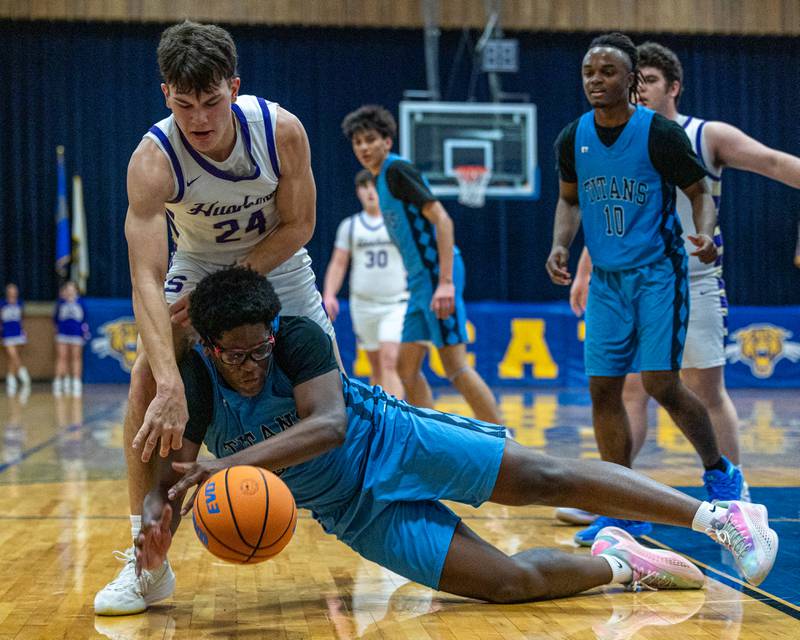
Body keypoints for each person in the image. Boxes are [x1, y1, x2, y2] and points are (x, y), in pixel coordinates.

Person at [133, 266, 777, 613]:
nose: (250, 363)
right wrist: (155, 526)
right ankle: (620, 562)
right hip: (349, 510)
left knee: (542, 478)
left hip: (391, 439)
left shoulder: (298, 337)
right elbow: (172, 480)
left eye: (258, 349)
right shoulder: (191, 383)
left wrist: (224, 469)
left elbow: (328, 426)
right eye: (236, 356)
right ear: (210, 348)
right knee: (508, 584)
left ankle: (721, 517)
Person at [94, 20, 337, 615]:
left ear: (234, 86)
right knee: (147, 381)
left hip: (277, 260)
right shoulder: (153, 161)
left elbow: (300, 225)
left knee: (330, 401)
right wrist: (172, 381)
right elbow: (146, 278)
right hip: (197, 267)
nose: (199, 119)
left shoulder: (281, 132)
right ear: (164, 95)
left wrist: (235, 283)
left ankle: (356, 500)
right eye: (184, 105)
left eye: (211, 101)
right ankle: (145, 556)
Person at [563, 41, 800, 526]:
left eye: (648, 80)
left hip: (693, 278)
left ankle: (733, 493)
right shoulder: (609, 134)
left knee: (703, 390)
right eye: (638, 80)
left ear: (672, 87)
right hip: (632, 278)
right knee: (628, 390)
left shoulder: (703, 134)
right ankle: (619, 495)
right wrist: (585, 269)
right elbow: (612, 213)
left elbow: (775, 163)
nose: (638, 88)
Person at [545, 32, 744, 545]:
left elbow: (699, 191)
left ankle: (721, 472)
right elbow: (569, 201)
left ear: (631, 80)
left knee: (659, 383)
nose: (596, 80)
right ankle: (623, 508)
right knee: (603, 389)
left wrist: (703, 232)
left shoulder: (658, 134)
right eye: (589, 71)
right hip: (608, 283)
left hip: (659, 274)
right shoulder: (573, 137)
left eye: (607, 71)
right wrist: (561, 246)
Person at [341, 105, 500, 424]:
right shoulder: (380, 181)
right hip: (418, 283)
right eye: (357, 142)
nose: (363, 148)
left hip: (436, 275)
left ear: (387, 141)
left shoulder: (397, 171)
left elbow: (442, 220)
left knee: (455, 366)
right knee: (405, 368)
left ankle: (506, 443)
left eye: (370, 139)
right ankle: (430, 435)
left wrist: (445, 282)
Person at [323, 169, 408, 398]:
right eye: (365, 187)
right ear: (358, 192)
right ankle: (381, 418)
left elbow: (412, 258)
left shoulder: (398, 223)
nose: (371, 192)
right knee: (377, 366)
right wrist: (329, 294)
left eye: (375, 187)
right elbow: (339, 263)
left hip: (395, 302)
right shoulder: (350, 226)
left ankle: (397, 422)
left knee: (390, 361)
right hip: (363, 304)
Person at [53, 281, 89, 398]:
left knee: (76, 357)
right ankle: (59, 381)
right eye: (68, 289)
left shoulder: (80, 303)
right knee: (62, 357)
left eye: (72, 289)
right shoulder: (60, 303)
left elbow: (84, 318)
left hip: (76, 334)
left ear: (76, 291)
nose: (70, 291)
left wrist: (83, 332)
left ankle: (76, 382)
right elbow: (55, 318)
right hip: (62, 334)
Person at [1, 284, 31, 398]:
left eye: (14, 290)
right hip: (7, 334)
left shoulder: (20, 303)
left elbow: (21, 318)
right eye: (10, 290)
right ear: (7, 292)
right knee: (13, 355)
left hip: (18, 333)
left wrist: (23, 330)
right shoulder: (2, 304)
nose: (12, 292)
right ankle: (23, 373)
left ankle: (11, 378)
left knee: (13, 358)